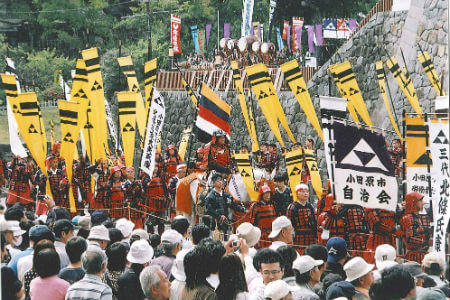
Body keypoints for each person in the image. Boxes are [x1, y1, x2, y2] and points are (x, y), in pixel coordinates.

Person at [400, 192, 431, 263]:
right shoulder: (407, 218)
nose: (422, 203)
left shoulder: (420, 217)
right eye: (420, 201)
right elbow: (410, 239)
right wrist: (426, 242)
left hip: (423, 254)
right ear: (413, 202)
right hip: (414, 256)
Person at [286, 184, 317, 252]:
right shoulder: (292, 207)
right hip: (298, 235)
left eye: (307, 191)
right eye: (303, 191)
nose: (305, 193)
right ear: (297, 193)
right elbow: (289, 224)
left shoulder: (310, 206)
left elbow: (315, 221)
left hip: (311, 235)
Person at [142, 165, 167, 235]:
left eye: (156, 166)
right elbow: (145, 187)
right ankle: (150, 236)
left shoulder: (161, 177)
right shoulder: (146, 178)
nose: (155, 168)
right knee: (150, 223)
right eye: (153, 166)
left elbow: (165, 189)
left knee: (161, 222)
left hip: (160, 203)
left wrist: (166, 197)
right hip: (150, 203)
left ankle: (161, 236)